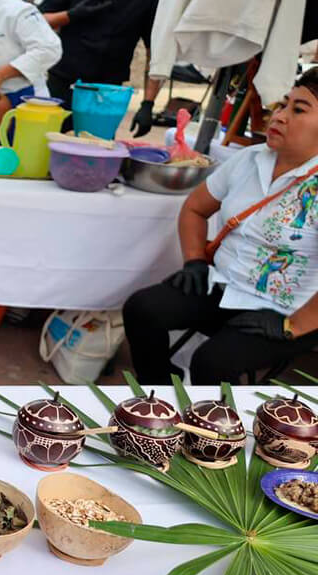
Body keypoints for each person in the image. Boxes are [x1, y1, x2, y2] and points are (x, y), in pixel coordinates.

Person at [123, 70, 318, 385]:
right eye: (283, 105)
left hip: (286, 310)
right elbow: (195, 208)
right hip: (225, 285)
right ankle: (160, 395)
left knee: (212, 363)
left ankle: (216, 417)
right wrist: (195, 261)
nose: (279, 116)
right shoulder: (250, 159)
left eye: (298, 110)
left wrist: (294, 326)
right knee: (142, 309)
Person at [38, 0, 163, 136]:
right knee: (50, 140)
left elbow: (154, 51)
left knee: (97, 144)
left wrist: (148, 104)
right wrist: (70, 15)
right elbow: (36, 21)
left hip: (106, 93)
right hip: (63, 81)